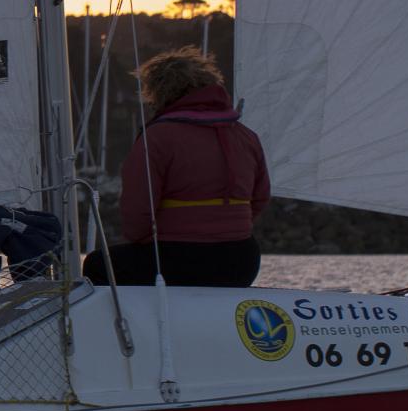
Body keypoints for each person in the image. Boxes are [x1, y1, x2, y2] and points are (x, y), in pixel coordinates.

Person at [84, 47, 270, 289]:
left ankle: (135, 325)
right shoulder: (246, 136)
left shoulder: (158, 137)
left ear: (159, 92)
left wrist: (143, 242)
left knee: (97, 265)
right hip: (241, 260)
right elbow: (261, 197)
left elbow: (138, 209)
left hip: (178, 259)